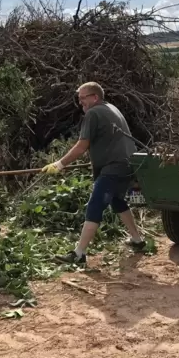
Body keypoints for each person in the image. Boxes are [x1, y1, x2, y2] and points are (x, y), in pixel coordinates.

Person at [41, 81, 145, 265]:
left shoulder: (93, 113)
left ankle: (79, 254)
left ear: (94, 97)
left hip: (114, 167)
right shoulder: (110, 108)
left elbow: (82, 146)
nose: (80, 102)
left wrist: (59, 164)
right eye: (79, 99)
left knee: (95, 205)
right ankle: (137, 240)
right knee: (117, 201)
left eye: (83, 98)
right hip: (128, 164)